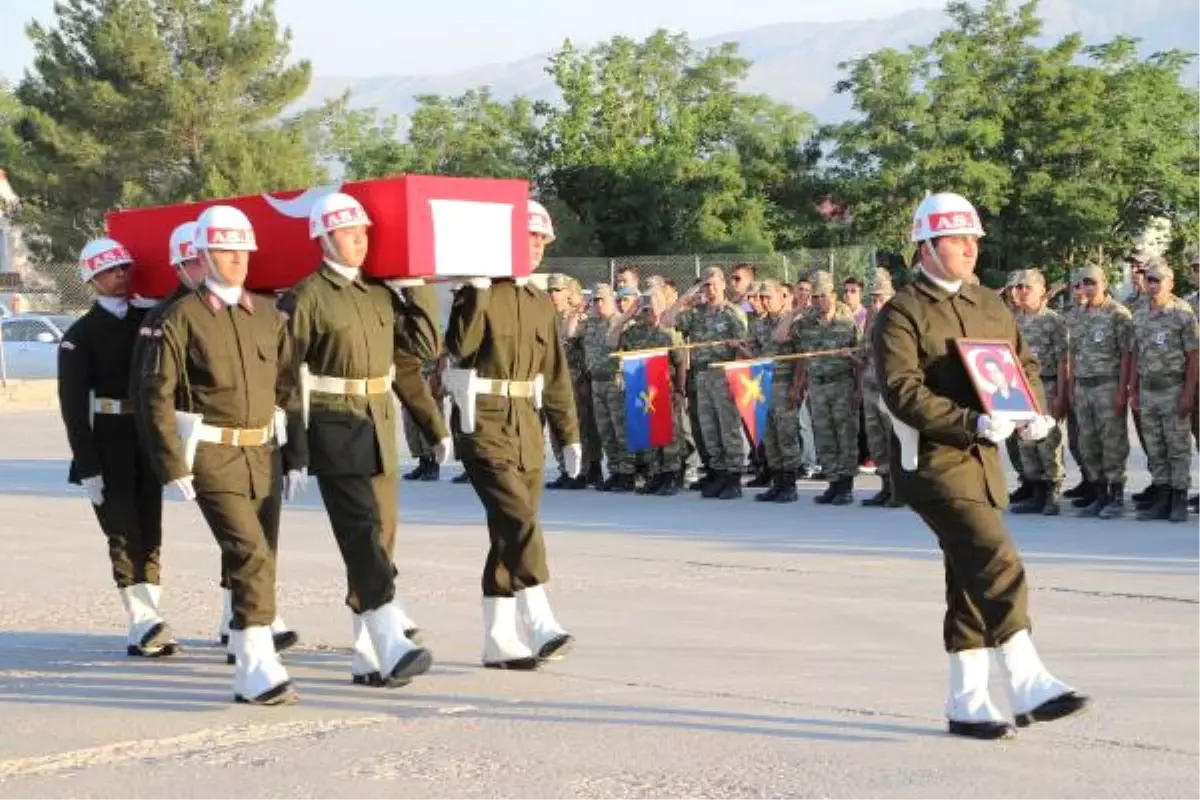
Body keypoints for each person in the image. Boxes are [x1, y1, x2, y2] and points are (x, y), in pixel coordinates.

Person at [875, 191, 1089, 740]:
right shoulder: (903, 312)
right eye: (957, 239)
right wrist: (968, 422)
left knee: (968, 580)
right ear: (926, 245)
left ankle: (967, 701)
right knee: (995, 558)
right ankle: (1027, 678)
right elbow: (902, 391)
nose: (970, 248)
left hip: (985, 462)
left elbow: (1023, 363)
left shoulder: (989, 304)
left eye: (973, 239)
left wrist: (1030, 411)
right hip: (934, 463)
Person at [279, 191, 445, 687]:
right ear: (323, 238)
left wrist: (415, 286)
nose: (360, 240)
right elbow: (285, 377)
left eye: (364, 231)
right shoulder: (306, 296)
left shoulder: (378, 293)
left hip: (378, 422)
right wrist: (295, 452)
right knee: (361, 535)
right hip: (333, 423)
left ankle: (367, 654)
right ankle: (389, 637)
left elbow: (421, 348)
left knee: (381, 538)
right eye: (350, 232)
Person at [142, 205, 299, 705]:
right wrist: (171, 464)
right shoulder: (180, 318)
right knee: (249, 552)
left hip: (263, 454)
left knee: (261, 555)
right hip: (212, 454)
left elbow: (289, 388)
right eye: (224, 251)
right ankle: (256, 667)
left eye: (241, 251)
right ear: (204, 255)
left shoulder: (269, 316)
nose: (235, 260)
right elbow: (156, 396)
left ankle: (245, 639)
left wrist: (296, 455)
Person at [445, 200, 580, 670]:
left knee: (509, 530)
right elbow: (458, 348)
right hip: (483, 420)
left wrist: (569, 435)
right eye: (529, 238)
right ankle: (539, 616)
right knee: (518, 518)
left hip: (526, 422)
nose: (538, 247)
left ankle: (499, 640)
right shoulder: (480, 291)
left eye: (542, 240)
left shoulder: (539, 301)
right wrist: (477, 292)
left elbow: (556, 374)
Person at [58, 237, 178, 659]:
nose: (121, 275)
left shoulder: (147, 317)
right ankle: (142, 621)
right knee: (123, 534)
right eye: (110, 271)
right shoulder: (80, 335)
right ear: (92, 278)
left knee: (151, 530)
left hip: (146, 436)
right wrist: (87, 465)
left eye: (125, 268)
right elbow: (73, 409)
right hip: (107, 442)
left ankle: (149, 623)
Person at [663, 267, 748, 499]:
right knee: (709, 429)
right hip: (701, 376)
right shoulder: (697, 313)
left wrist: (737, 380)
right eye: (705, 285)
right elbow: (667, 320)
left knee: (728, 427)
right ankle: (718, 473)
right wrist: (686, 296)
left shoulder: (733, 313)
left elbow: (745, 348)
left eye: (712, 284)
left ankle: (734, 478)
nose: (708, 289)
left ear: (722, 285)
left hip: (724, 375)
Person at [1128, 260, 1200, 522]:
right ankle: (1163, 495)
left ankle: (1179, 497)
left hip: (1173, 388)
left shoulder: (1183, 314)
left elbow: (1194, 357)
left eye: (1158, 280)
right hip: (1148, 389)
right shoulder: (1139, 315)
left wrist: (1189, 393)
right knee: (1155, 446)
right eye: (1149, 280)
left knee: (1177, 446)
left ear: (1171, 283)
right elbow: (1136, 354)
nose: (1153, 285)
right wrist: (1133, 389)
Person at [1009, 269, 1069, 516]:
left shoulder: (1053, 321)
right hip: (1020, 386)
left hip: (1046, 385)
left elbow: (1064, 360)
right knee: (1026, 440)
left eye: (1027, 287)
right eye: (1018, 287)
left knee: (1047, 440)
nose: (1021, 291)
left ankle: (1052, 491)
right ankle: (1034, 489)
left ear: (1041, 291)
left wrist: (1062, 394)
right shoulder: (1013, 320)